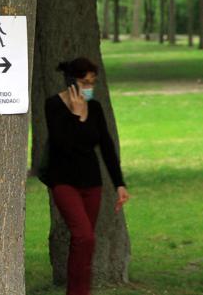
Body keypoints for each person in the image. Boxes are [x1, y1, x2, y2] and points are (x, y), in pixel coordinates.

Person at [43, 57, 129, 295]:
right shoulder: (53, 105)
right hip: (63, 180)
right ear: (72, 81)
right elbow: (63, 144)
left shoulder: (96, 108)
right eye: (84, 81)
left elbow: (106, 147)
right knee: (85, 236)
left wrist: (119, 184)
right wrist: (76, 115)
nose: (89, 86)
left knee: (83, 243)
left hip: (92, 182)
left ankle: (79, 291)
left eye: (93, 81)